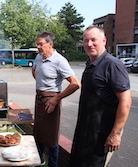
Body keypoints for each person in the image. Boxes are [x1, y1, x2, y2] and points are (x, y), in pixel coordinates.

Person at [69, 26, 132, 167]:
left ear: (104, 41)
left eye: (93, 40)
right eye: (86, 41)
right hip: (85, 131)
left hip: (101, 135)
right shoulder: (90, 64)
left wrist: (115, 133)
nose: (89, 44)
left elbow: (126, 101)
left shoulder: (112, 65)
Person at [32, 31, 81, 167]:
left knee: (51, 136)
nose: (38, 47)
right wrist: (41, 86)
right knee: (39, 131)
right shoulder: (38, 57)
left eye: (41, 44)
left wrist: (56, 98)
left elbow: (76, 83)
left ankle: (53, 164)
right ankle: (39, 159)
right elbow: (35, 71)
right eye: (37, 44)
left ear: (50, 44)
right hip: (39, 99)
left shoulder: (59, 60)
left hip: (51, 101)